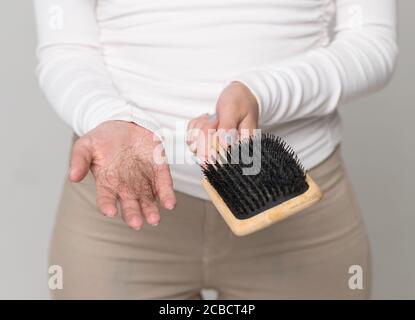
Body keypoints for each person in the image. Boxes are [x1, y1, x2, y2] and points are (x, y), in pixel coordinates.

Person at [34, 0, 397, 299]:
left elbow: (370, 42)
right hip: (122, 203)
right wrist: (109, 116)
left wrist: (263, 92)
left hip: (295, 208)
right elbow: (66, 48)